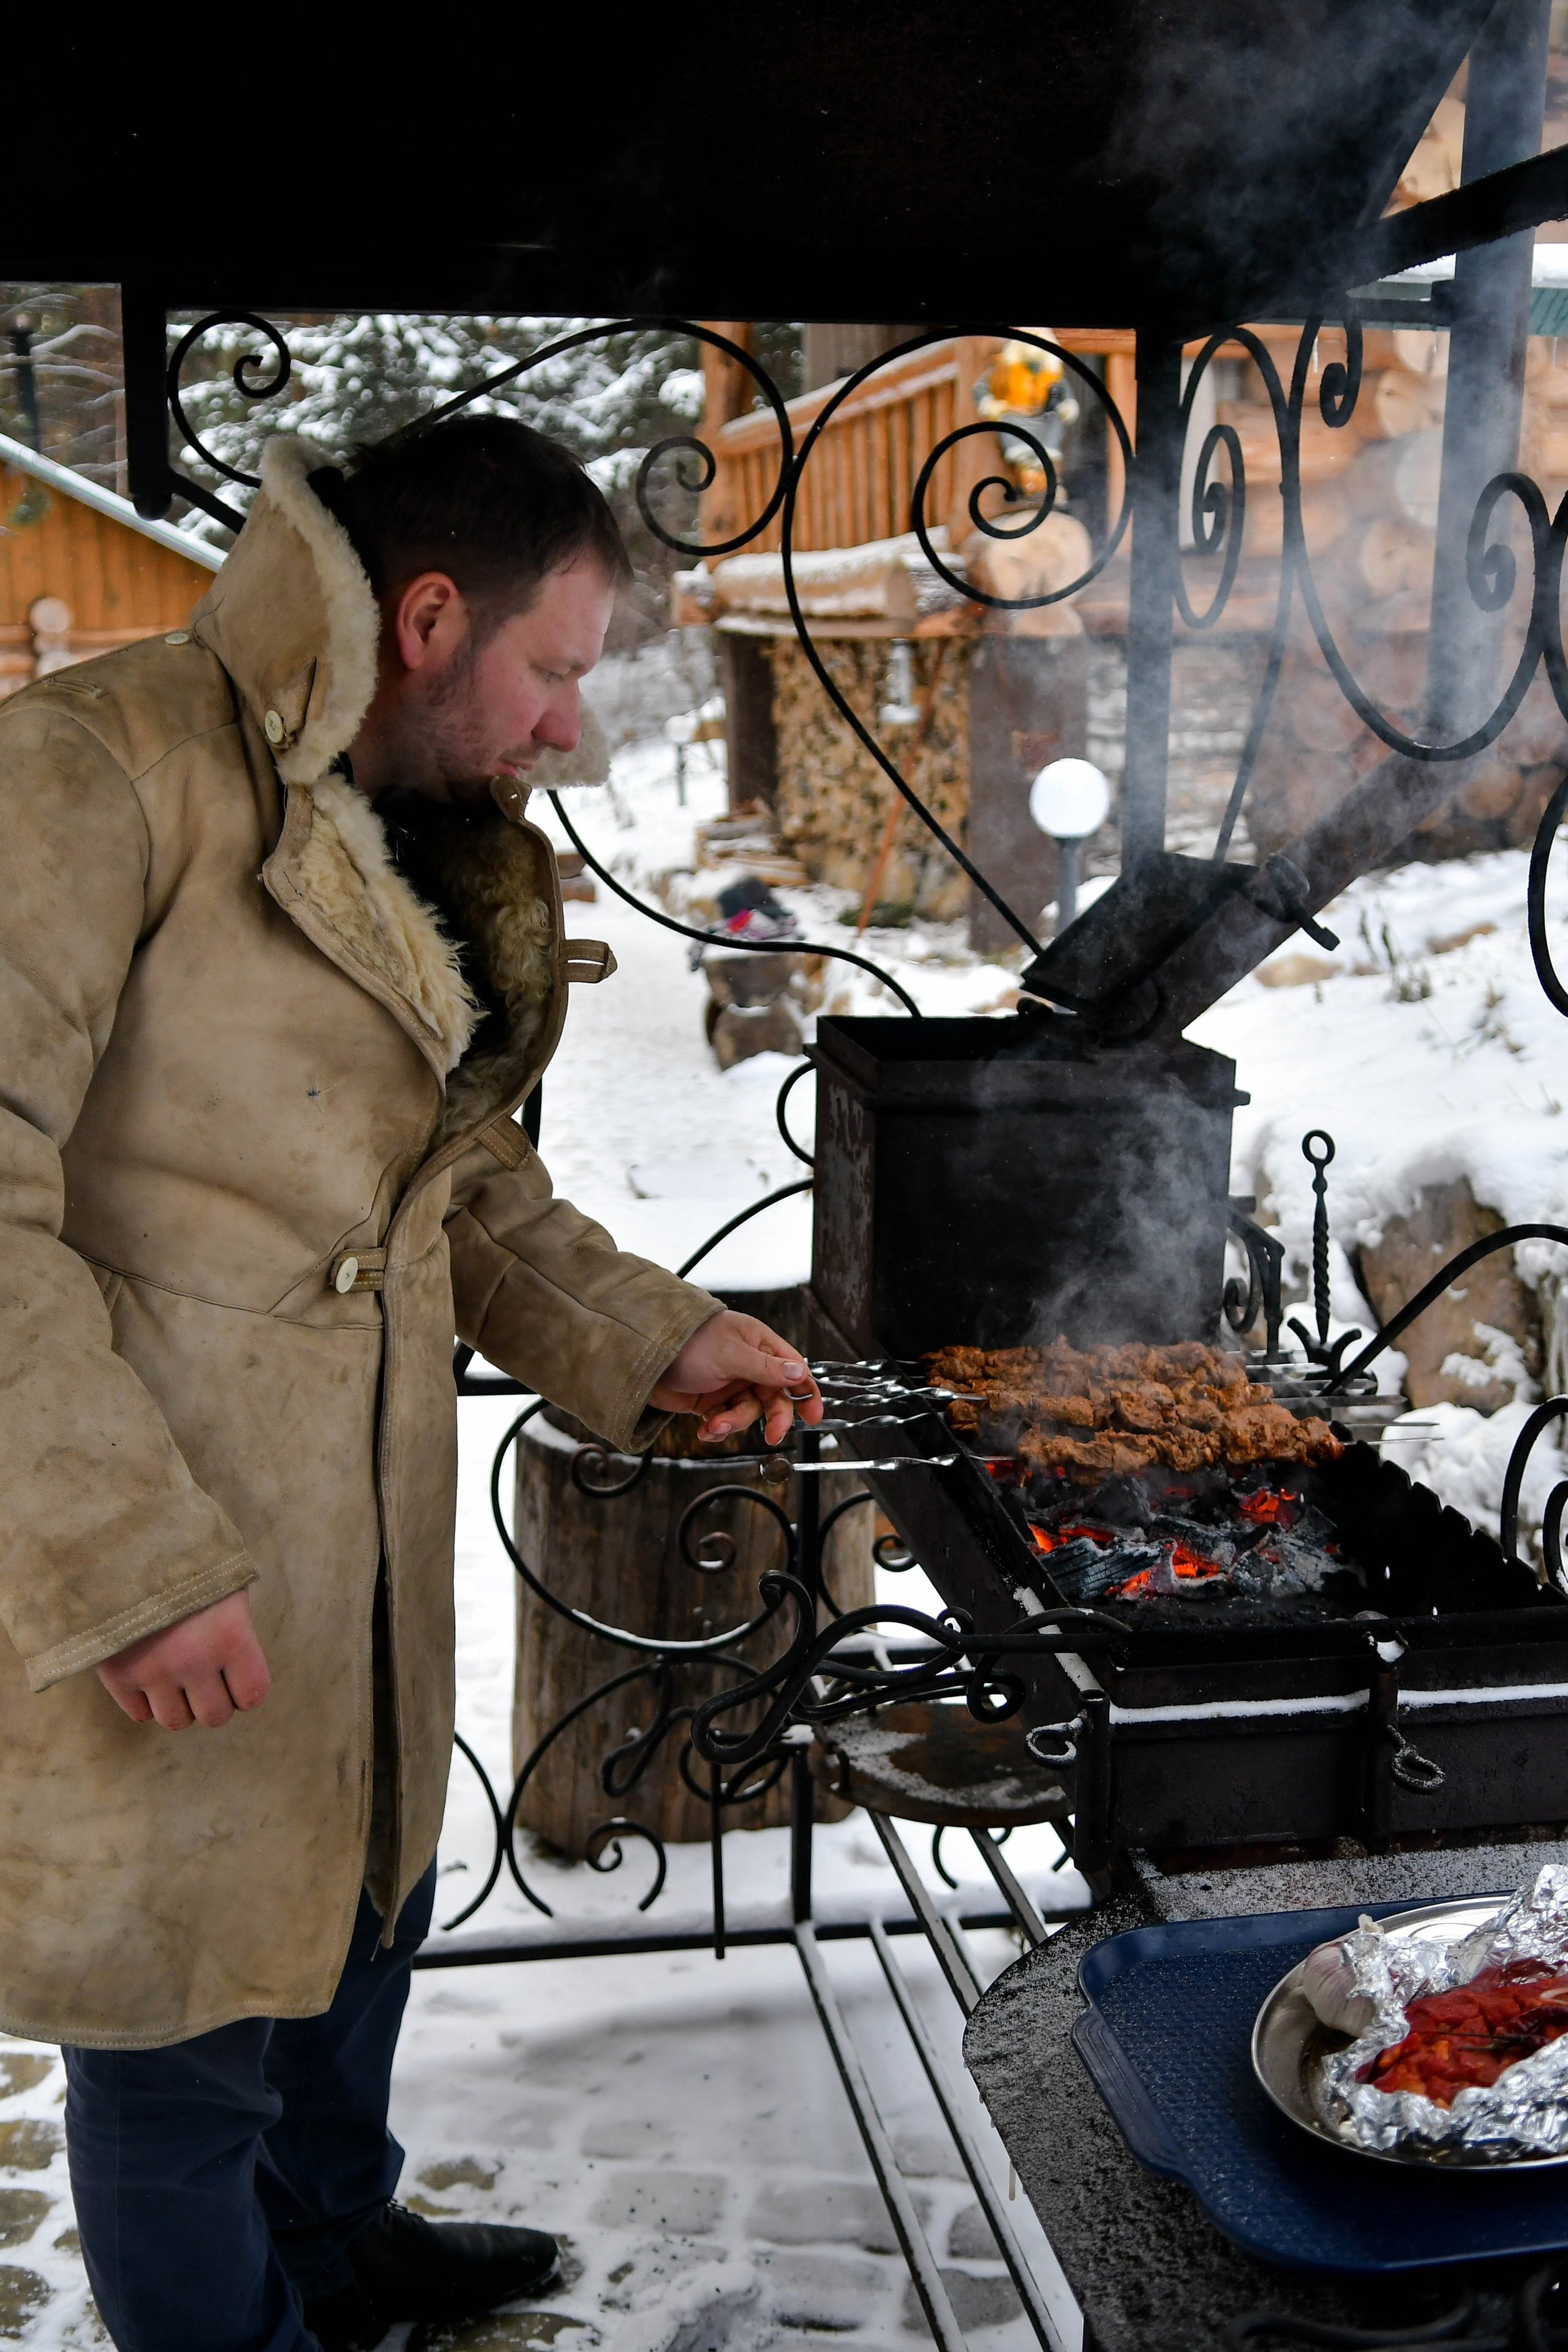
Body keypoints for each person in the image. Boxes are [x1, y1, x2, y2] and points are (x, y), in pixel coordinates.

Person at [0, 415, 823, 2352]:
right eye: (553, 670)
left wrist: (647, 1335)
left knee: (359, 1924)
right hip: (161, 1540)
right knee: (185, 2040)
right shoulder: (94, 772)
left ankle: (341, 2240)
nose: (567, 732)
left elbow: (460, 1190)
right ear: (434, 618)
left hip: (351, 1534)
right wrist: (126, 1556)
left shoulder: (409, 825)